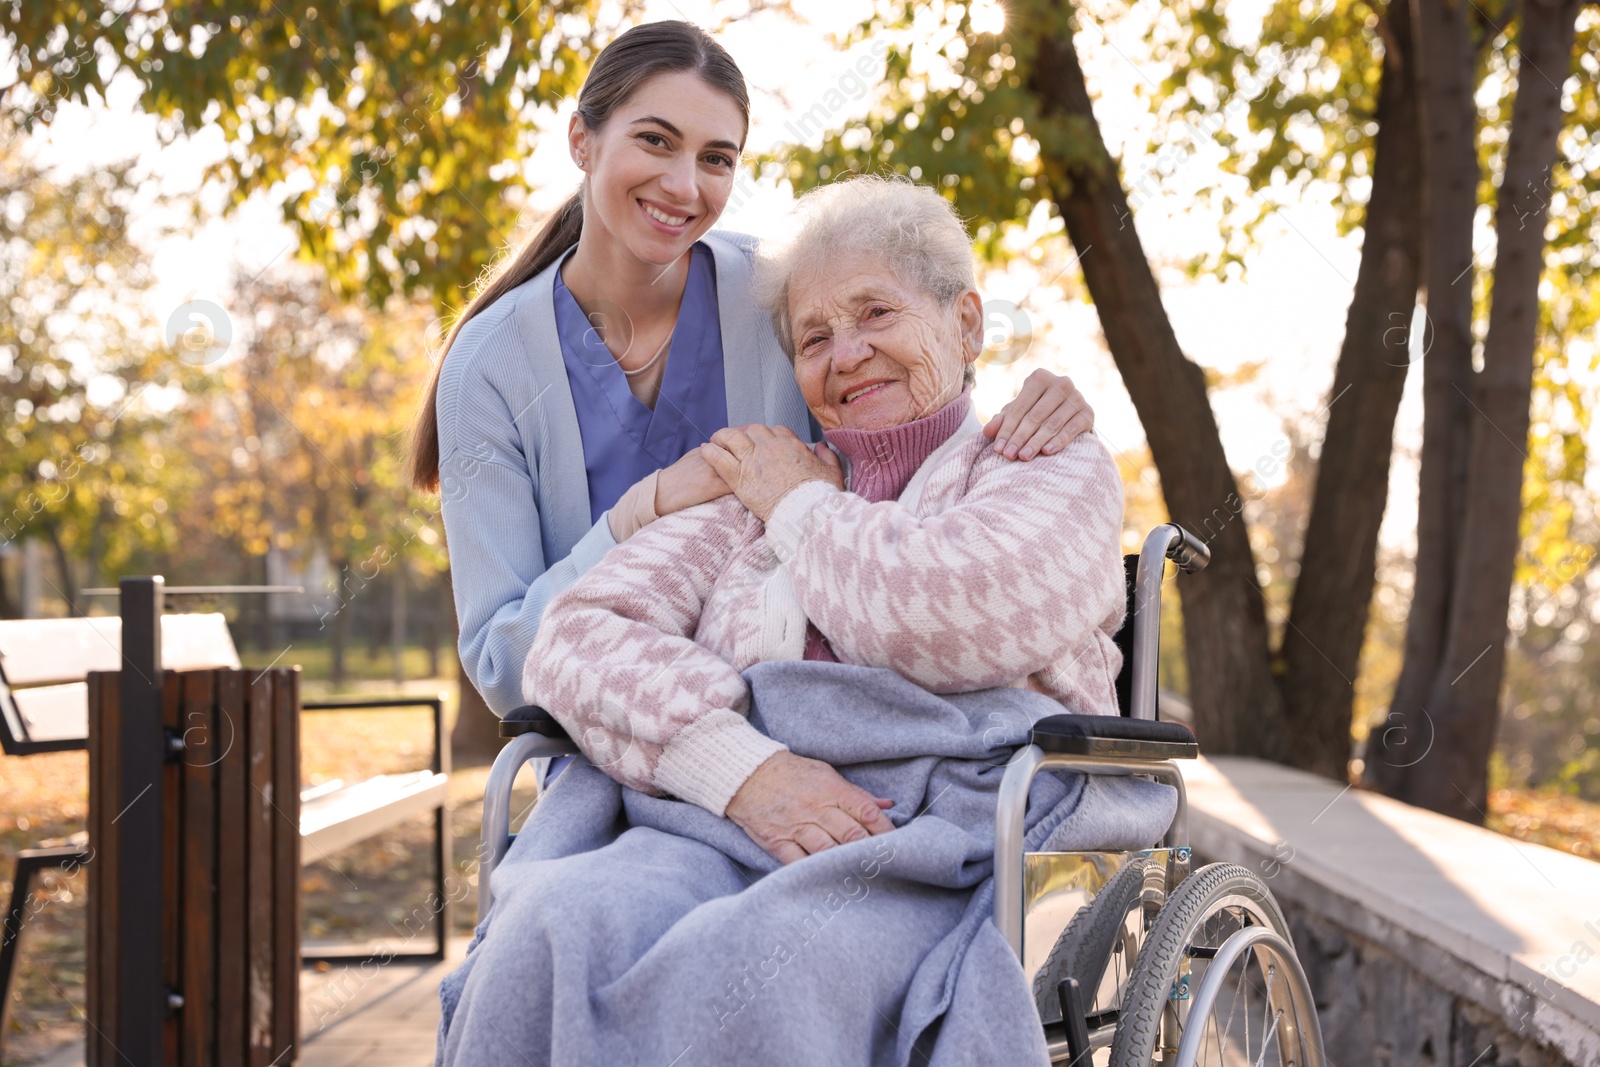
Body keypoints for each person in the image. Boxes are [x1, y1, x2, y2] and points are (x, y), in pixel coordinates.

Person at [433, 175, 1150, 1067]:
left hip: (934, 844)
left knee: (751, 968)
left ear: (965, 325)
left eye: (875, 314)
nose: (845, 354)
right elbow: (574, 636)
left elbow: (939, 613)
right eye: (814, 337)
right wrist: (742, 769)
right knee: (547, 927)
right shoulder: (756, 488)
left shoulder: (1042, 466)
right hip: (722, 823)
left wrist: (803, 509)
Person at [407, 20, 1098, 716]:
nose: (683, 185)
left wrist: (1038, 405)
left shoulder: (782, 295)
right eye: (655, 140)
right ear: (581, 141)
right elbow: (502, 665)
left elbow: (903, 440)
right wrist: (637, 516)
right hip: (603, 733)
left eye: (717, 158)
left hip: (818, 716)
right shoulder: (490, 364)